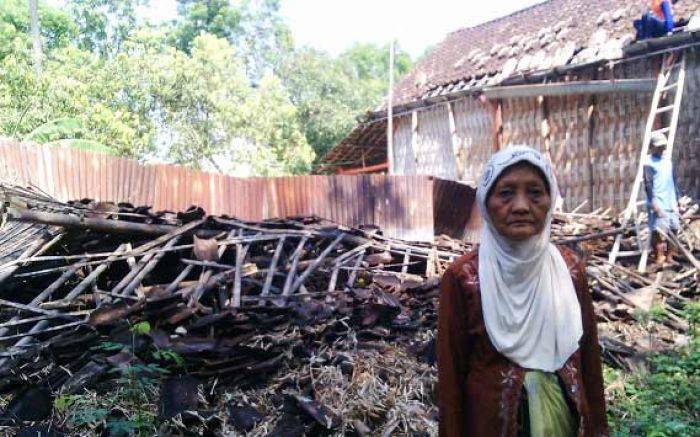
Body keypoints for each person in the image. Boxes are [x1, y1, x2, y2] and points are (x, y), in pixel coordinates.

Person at [437, 145, 608, 437]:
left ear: (550, 200)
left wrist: (599, 428)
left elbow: (589, 360)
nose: (520, 206)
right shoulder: (464, 278)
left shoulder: (569, 270)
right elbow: (451, 379)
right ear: (486, 202)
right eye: (505, 193)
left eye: (535, 192)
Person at [643, 132, 680, 266]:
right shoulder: (648, 162)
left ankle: (670, 256)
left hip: (671, 201)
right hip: (658, 201)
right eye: (658, 147)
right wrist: (654, 203)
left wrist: (678, 199)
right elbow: (648, 184)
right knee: (658, 231)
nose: (661, 149)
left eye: (662, 147)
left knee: (674, 229)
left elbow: (674, 181)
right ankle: (659, 257)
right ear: (652, 146)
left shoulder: (667, 162)